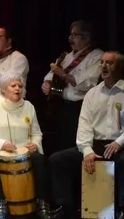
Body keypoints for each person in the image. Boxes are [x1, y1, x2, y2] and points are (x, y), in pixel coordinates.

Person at [47, 52, 124, 219]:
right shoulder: (92, 94)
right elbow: (84, 125)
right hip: (97, 144)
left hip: (121, 145)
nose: (104, 67)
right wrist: (87, 151)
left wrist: (119, 142)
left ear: (119, 67)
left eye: (109, 63)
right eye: (102, 63)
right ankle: (66, 207)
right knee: (57, 160)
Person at [0, 77, 49, 219]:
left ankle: (41, 204)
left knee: (38, 157)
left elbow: (37, 133)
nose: (18, 88)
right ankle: (0, 203)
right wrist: (2, 144)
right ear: (3, 89)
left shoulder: (28, 106)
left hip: (24, 149)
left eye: (20, 86)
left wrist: (35, 144)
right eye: (13, 85)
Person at [40, 20, 103, 151]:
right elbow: (49, 76)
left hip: (79, 108)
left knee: (75, 146)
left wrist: (63, 75)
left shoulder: (96, 56)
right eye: (70, 35)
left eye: (75, 35)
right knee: (60, 145)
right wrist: (47, 84)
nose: (71, 38)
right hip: (61, 107)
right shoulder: (67, 56)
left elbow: (88, 84)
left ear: (87, 37)